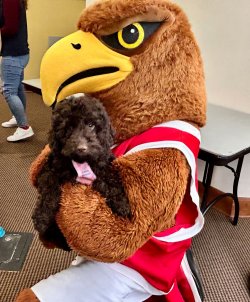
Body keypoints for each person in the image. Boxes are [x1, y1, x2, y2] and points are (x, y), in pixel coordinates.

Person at [0, 0, 34, 142]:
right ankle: (18, 118)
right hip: (19, 52)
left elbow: (11, 28)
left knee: (8, 91)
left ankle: (24, 127)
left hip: (13, 54)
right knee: (18, 88)